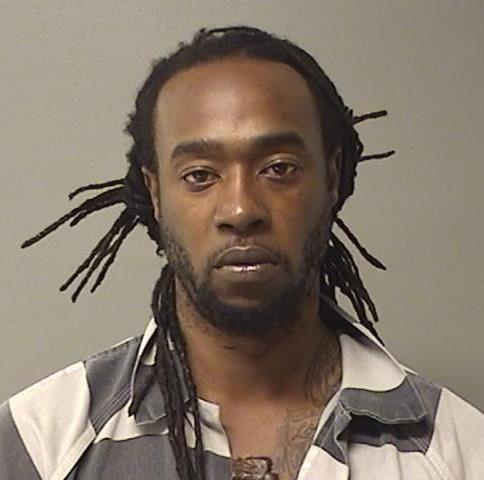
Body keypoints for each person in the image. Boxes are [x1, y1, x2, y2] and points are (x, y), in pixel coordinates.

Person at [0, 26, 482, 480]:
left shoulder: (460, 453)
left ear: (332, 178)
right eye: (200, 175)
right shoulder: (42, 446)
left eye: (279, 168)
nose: (240, 209)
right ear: (155, 193)